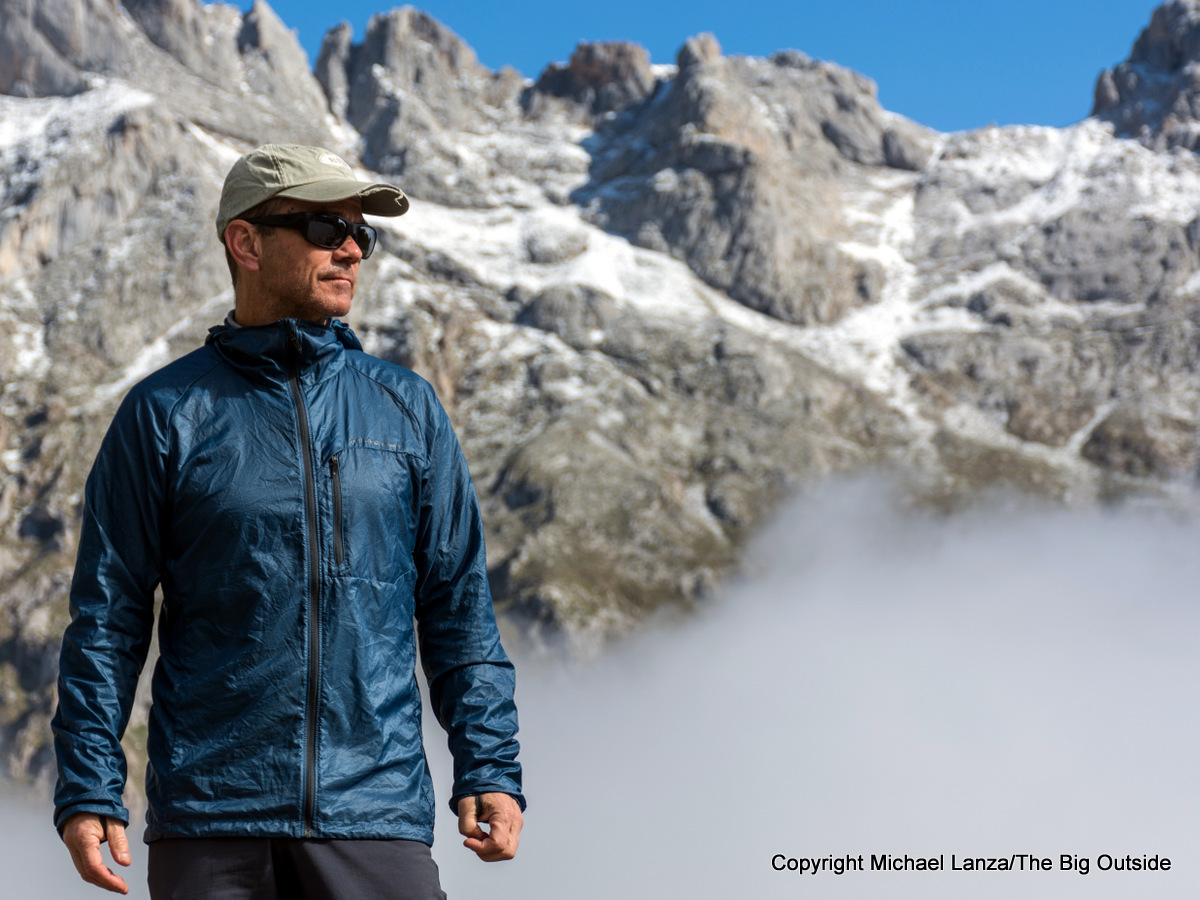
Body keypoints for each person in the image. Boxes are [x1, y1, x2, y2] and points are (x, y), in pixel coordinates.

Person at [51, 144, 524, 898]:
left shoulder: (408, 409)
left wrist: (491, 765)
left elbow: (458, 608)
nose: (349, 248)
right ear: (245, 242)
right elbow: (108, 621)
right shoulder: (162, 414)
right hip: (211, 824)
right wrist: (87, 787)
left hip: (377, 816)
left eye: (360, 234)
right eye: (322, 226)